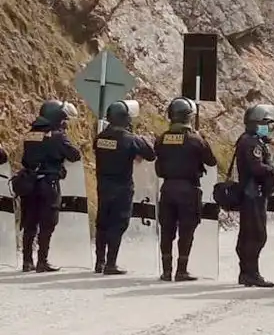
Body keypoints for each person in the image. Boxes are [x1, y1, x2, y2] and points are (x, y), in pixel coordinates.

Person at [154, 97, 218, 282]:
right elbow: (211, 161)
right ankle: (181, 270)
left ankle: (166, 271)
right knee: (186, 231)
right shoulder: (195, 140)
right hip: (188, 190)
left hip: (167, 189)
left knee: (167, 230)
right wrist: (202, 138)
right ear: (189, 117)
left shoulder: (162, 139)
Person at [93, 100, 156, 275]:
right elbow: (150, 154)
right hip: (122, 188)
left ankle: (99, 262)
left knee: (102, 224)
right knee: (118, 224)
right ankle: (111, 264)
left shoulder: (99, 138)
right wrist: (139, 138)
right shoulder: (130, 139)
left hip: (103, 187)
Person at [19, 100, 82, 273]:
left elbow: (25, 159)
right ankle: (42, 261)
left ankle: (26, 261)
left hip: (29, 184)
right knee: (47, 224)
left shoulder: (30, 134)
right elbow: (74, 155)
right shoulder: (57, 136)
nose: (63, 122)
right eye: (62, 119)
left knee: (30, 223)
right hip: (48, 184)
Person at [235, 104, 274, 288]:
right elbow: (256, 167)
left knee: (248, 234)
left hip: (252, 193)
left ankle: (246, 273)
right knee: (256, 235)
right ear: (256, 123)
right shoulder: (251, 143)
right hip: (253, 194)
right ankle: (251, 274)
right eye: (265, 123)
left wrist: (271, 141)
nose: (268, 127)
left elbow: (259, 139)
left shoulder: (249, 139)